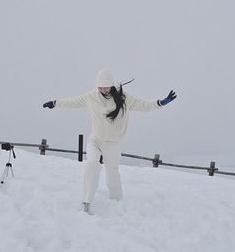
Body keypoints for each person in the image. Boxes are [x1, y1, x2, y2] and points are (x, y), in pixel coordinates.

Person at [43, 68, 177, 213]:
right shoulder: (91, 97)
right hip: (95, 140)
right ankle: (86, 200)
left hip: (113, 143)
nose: (103, 90)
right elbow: (72, 102)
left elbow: (144, 105)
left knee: (112, 172)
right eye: (100, 87)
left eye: (106, 86)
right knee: (92, 164)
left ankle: (116, 200)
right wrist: (55, 103)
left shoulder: (125, 98)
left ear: (111, 85)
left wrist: (160, 102)